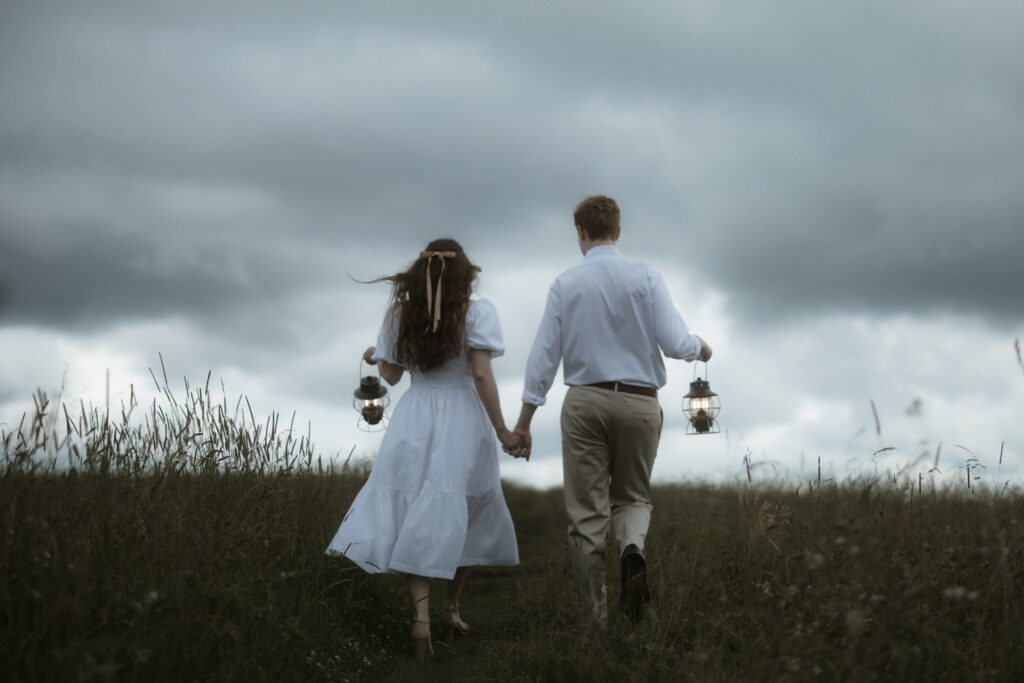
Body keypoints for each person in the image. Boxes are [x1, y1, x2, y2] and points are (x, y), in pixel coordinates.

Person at [509, 195, 712, 624]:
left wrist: (524, 422)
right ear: (618, 232)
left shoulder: (565, 284)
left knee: (587, 513)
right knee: (633, 497)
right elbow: (677, 344)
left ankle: (595, 622)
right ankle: (632, 549)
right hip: (640, 402)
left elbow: (543, 358)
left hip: (585, 400)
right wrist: (701, 347)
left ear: (580, 233)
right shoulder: (646, 276)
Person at [326, 238, 522, 660]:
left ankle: (421, 622)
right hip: (464, 418)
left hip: (416, 416)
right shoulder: (478, 312)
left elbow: (392, 377)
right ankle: (451, 609)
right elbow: (483, 374)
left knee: (419, 511)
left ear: (420, 274)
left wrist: (378, 356)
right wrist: (503, 429)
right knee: (464, 508)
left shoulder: (401, 313)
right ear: (465, 275)